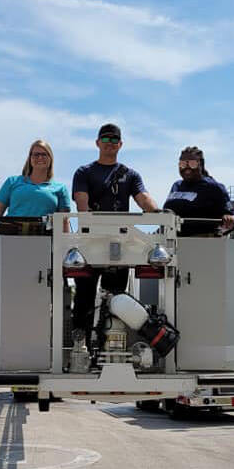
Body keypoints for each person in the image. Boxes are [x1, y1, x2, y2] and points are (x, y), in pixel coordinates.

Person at [71, 123, 159, 343]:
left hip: (120, 246)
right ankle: (79, 346)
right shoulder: (84, 172)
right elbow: (82, 204)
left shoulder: (130, 175)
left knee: (116, 299)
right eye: (105, 139)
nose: (109, 144)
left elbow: (143, 199)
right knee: (84, 297)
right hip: (91, 243)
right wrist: (89, 218)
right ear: (97, 143)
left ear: (120, 145)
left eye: (114, 140)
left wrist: (159, 213)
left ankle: (109, 344)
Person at [0, 139, 70, 233]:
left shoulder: (60, 188)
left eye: (44, 154)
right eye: (36, 154)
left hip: (44, 240)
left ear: (50, 158)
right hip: (11, 237)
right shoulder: (13, 182)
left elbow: (64, 222)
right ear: (30, 158)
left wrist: (67, 246)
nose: (40, 157)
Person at [163, 146, 234, 236]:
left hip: (202, 243)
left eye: (192, 163)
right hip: (170, 241)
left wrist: (229, 218)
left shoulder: (214, 187)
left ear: (201, 164)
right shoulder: (176, 185)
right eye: (183, 164)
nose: (187, 168)